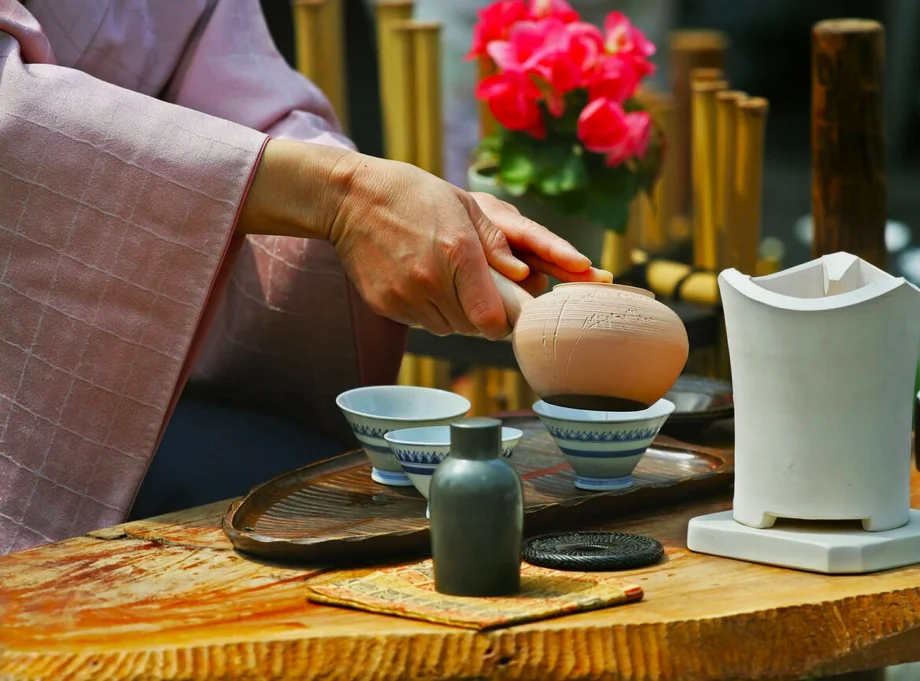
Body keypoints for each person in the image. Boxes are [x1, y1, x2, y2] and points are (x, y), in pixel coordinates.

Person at [0, 0, 610, 555]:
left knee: (318, 485)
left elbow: (253, 100)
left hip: (159, 381)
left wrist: (406, 203)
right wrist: (334, 196)